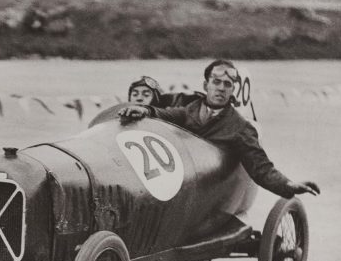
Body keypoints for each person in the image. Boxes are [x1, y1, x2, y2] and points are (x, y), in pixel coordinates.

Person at [118, 59, 320, 199]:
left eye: (227, 84)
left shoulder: (240, 127)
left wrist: (287, 185)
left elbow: (260, 167)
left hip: (206, 191)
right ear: (206, 85)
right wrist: (143, 110)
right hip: (177, 183)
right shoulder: (188, 109)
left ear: (233, 90)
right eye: (216, 82)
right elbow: (163, 114)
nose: (221, 88)